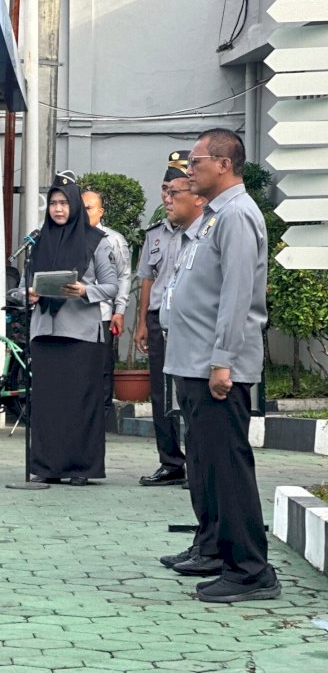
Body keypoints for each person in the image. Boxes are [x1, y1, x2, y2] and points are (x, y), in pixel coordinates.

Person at [161, 128, 280, 603]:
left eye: (196, 162)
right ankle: (222, 554)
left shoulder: (237, 216)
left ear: (224, 164)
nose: (190, 171)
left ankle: (251, 570)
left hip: (216, 368)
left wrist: (223, 362)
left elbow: (235, 297)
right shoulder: (214, 217)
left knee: (228, 469)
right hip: (194, 361)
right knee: (210, 468)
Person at [24, 172, 118, 486]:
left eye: (64, 203)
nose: (59, 209)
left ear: (75, 205)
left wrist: (84, 291)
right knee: (48, 404)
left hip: (80, 333)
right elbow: (26, 283)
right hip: (45, 331)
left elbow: (111, 285)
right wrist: (28, 295)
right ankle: (48, 466)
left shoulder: (96, 241)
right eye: (53, 203)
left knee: (80, 403)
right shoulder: (39, 241)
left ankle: (81, 467)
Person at [135, 152, 200, 488]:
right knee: (161, 395)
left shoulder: (202, 230)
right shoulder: (155, 234)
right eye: (164, 189)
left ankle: (199, 463)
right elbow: (147, 277)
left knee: (189, 393)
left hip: (189, 323)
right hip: (160, 319)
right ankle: (171, 461)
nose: (167, 196)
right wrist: (143, 322)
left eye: (173, 189)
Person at [81, 190, 131, 419]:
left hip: (102, 313)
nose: (84, 212)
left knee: (101, 368)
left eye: (89, 208)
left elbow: (123, 276)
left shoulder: (112, 239)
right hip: (76, 315)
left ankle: (100, 417)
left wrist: (119, 311)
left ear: (100, 211)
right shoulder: (70, 237)